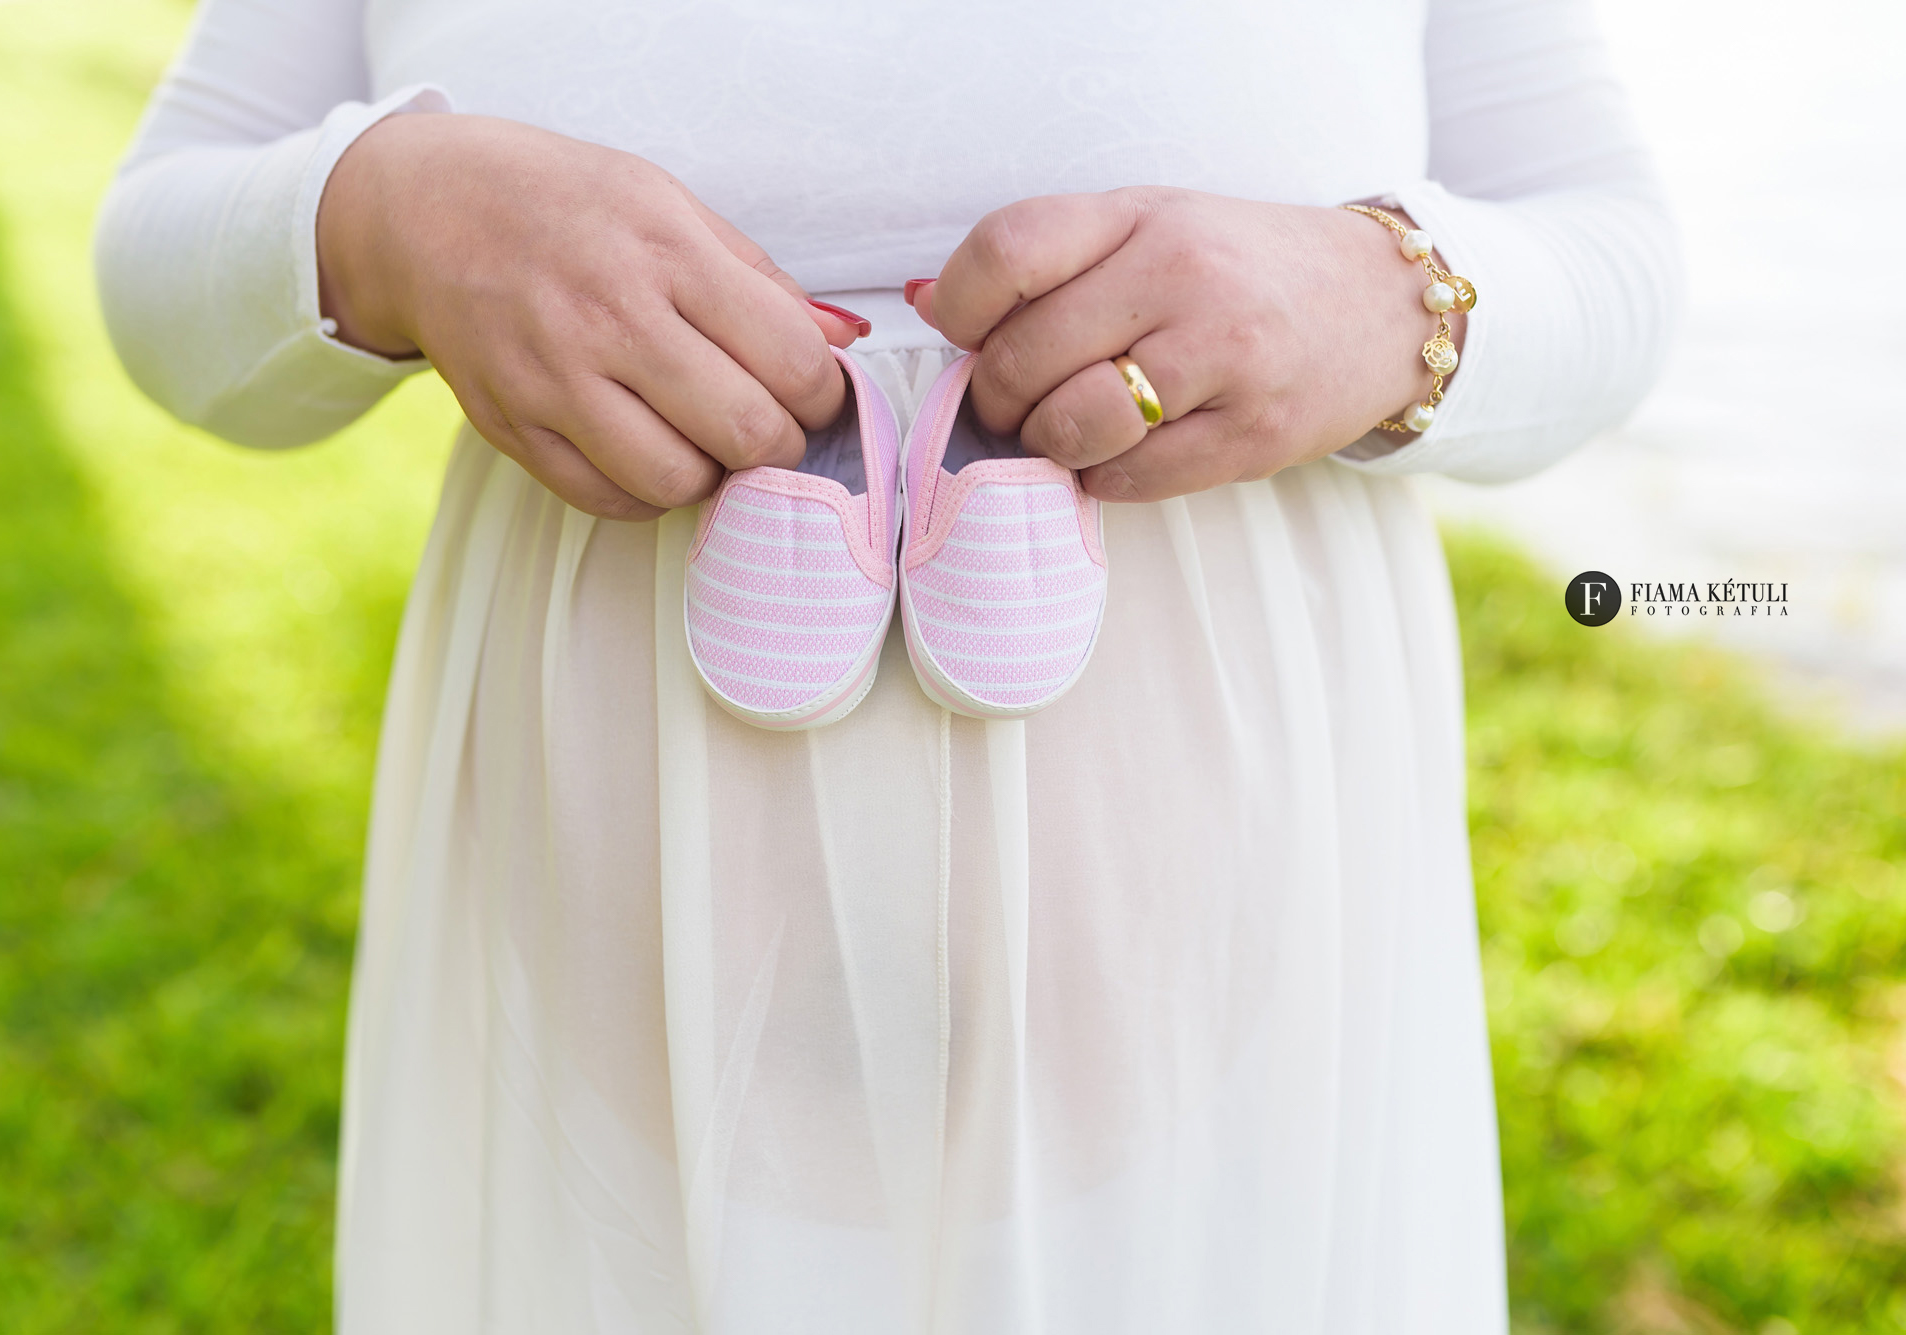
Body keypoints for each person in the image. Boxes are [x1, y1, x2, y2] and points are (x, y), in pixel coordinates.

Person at [96, 1, 1681, 1329]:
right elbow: (162, 260)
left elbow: (1612, 256)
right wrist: (383, 213)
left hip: (1240, 1020)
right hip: (597, 1005)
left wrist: (1387, 292)